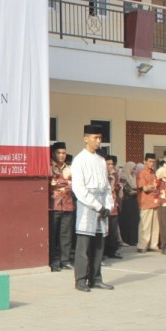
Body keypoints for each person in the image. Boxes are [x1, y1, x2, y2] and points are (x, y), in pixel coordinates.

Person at [71, 125, 114, 292]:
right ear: (86, 138)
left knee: (98, 244)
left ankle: (96, 278)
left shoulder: (101, 160)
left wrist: (108, 205)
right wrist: (96, 205)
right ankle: (80, 280)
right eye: (95, 138)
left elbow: (107, 186)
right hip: (87, 206)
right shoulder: (79, 160)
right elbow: (79, 188)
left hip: (102, 204)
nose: (98, 141)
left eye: (100, 138)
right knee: (84, 246)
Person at [48, 141, 74, 272]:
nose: (61, 155)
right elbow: (50, 183)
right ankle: (53, 260)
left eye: (64, 153)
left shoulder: (70, 168)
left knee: (66, 235)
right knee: (52, 235)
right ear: (53, 154)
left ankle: (65, 260)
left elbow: (74, 185)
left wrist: (60, 183)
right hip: (53, 206)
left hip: (68, 205)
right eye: (59, 153)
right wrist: (66, 182)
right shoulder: (49, 167)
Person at [137, 153, 160, 253]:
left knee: (155, 225)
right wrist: (153, 185)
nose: (152, 163)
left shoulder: (153, 172)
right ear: (145, 161)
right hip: (145, 202)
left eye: (153, 162)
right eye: (150, 161)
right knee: (145, 225)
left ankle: (153, 245)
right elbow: (144, 188)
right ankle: (142, 245)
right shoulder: (142, 173)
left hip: (155, 201)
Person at [103, 155, 122, 259]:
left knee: (113, 229)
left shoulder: (114, 174)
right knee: (105, 228)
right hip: (104, 205)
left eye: (112, 164)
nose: (110, 166)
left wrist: (117, 184)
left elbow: (118, 186)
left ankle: (112, 250)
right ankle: (104, 251)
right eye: (108, 164)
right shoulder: (101, 174)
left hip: (114, 204)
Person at [118, 161, 139, 246]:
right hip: (127, 202)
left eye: (135, 169)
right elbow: (128, 191)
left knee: (134, 221)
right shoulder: (123, 177)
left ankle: (133, 240)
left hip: (134, 202)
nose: (134, 170)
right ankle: (127, 240)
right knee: (128, 221)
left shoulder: (133, 177)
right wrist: (140, 191)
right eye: (132, 169)